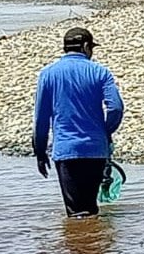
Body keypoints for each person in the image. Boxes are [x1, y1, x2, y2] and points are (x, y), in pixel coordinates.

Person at [32, 27, 125, 218]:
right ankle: (95, 245)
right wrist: (106, 131)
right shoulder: (100, 72)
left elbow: (41, 119)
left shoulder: (48, 74)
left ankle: (79, 245)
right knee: (90, 206)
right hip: (96, 150)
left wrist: (40, 152)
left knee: (76, 213)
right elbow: (115, 107)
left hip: (67, 151)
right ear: (85, 47)